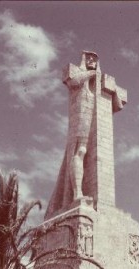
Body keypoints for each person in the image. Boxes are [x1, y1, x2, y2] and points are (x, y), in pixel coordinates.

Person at [45, 51, 100, 219]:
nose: (91, 60)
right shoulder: (76, 71)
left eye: (94, 58)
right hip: (79, 115)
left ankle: (79, 193)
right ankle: (77, 193)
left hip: (92, 117)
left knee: (84, 151)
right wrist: (92, 73)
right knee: (79, 152)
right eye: (88, 57)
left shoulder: (97, 82)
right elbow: (74, 81)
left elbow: (117, 103)